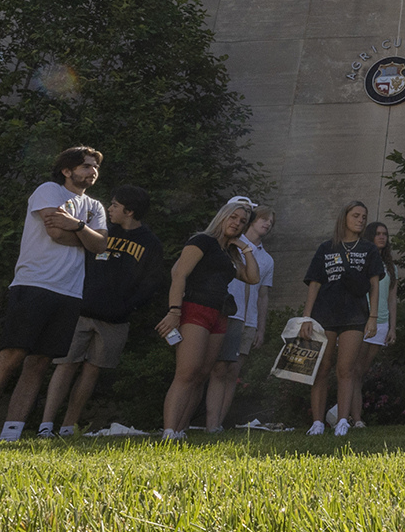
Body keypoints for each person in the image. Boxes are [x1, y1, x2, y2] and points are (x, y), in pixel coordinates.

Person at [0, 147, 109, 441]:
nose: (92, 171)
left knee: (40, 362)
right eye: (85, 166)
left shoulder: (95, 207)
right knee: (11, 356)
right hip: (34, 283)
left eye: (95, 167)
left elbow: (101, 246)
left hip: (69, 291)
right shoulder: (49, 191)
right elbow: (55, 232)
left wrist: (77, 225)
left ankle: (11, 433)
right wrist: (84, 234)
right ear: (67, 170)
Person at [37, 184, 165, 440]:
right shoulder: (102, 231)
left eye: (115, 205)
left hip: (116, 319)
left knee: (92, 370)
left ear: (129, 211)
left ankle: (68, 426)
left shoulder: (150, 242)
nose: (110, 209)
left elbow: (151, 282)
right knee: (65, 365)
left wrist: (128, 307)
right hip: (80, 310)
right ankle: (45, 425)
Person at [152, 197, 263, 441]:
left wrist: (245, 248)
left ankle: (180, 430)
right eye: (233, 217)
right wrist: (174, 311)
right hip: (194, 308)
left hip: (219, 313)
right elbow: (179, 275)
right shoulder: (202, 240)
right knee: (187, 372)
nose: (236, 223)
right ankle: (169, 431)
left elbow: (253, 278)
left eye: (242, 222)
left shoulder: (230, 252)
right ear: (222, 216)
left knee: (202, 374)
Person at [302, 201, 380, 437]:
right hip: (325, 313)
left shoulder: (369, 249)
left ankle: (343, 421)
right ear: (344, 217)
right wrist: (306, 317)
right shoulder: (326, 248)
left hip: (355, 314)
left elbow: (375, 284)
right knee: (321, 368)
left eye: (364, 217)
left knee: (345, 369)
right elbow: (314, 283)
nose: (360, 220)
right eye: (356, 215)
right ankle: (317, 422)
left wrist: (373, 317)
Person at [203, 206, 273, 433]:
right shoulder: (227, 245)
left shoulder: (266, 259)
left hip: (248, 319)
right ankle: (199, 422)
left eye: (271, 222)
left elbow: (262, 294)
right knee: (213, 368)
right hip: (225, 312)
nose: (267, 224)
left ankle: (217, 425)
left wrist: (260, 328)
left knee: (232, 373)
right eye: (263, 219)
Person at [348, 220, 400, 425]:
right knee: (352, 370)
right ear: (370, 236)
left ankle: (352, 415)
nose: (381, 237)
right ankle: (354, 418)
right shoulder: (360, 262)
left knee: (360, 372)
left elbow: (392, 298)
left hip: (382, 323)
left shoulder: (391, 267)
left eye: (384, 234)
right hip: (361, 320)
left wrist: (393, 328)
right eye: (377, 233)